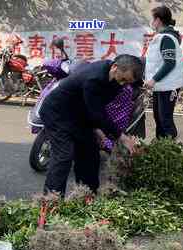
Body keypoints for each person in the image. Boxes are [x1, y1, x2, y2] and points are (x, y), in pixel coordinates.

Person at [39, 54, 141, 196]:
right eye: (123, 79)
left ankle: (87, 196)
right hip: (58, 113)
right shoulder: (94, 78)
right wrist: (121, 137)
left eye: (128, 82)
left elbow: (95, 107)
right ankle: (51, 200)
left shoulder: (116, 80)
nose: (123, 84)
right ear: (115, 67)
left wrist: (97, 129)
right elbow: (96, 112)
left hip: (79, 114)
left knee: (90, 155)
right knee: (64, 156)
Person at [144, 5, 183, 139]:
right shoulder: (162, 37)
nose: (151, 22)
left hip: (168, 86)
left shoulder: (166, 38)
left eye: (152, 19)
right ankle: (161, 144)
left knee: (165, 119)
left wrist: (153, 80)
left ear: (158, 20)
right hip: (161, 85)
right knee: (158, 116)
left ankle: (171, 149)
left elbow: (170, 63)